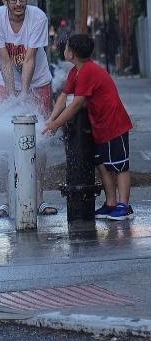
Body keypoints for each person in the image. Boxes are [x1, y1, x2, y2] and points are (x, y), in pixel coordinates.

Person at [0, 0, 56, 216]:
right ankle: (9, 199)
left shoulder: (38, 17)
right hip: (5, 82)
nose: (18, 3)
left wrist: (25, 93)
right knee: (8, 140)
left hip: (38, 81)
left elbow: (30, 58)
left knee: (40, 140)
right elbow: (4, 59)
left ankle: (39, 197)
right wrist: (13, 94)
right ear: (4, 1)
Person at [43, 33, 134, 221]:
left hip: (114, 124)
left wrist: (56, 124)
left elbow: (76, 104)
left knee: (120, 166)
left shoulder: (88, 72)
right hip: (100, 126)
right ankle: (111, 204)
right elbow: (63, 96)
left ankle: (124, 206)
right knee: (102, 165)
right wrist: (51, 119)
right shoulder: (75, 71)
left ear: (72, 53)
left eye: (67, 47)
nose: (64, 49)